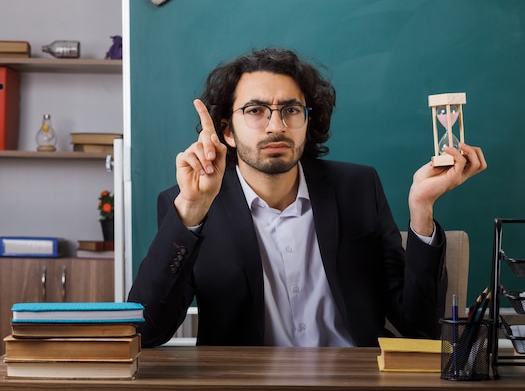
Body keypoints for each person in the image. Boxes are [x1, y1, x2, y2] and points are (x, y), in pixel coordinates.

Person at [128, 47, 487, 348]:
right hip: (244, 383)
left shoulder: (358, 187)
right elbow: (145, 332)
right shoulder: (190, 203)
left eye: (291, 110)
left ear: (307, 121)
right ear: (228, 131)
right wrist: (191, 213)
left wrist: (421, 210)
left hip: (356, 381)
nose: (276, 126)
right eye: (255, 111)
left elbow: (418, 329)